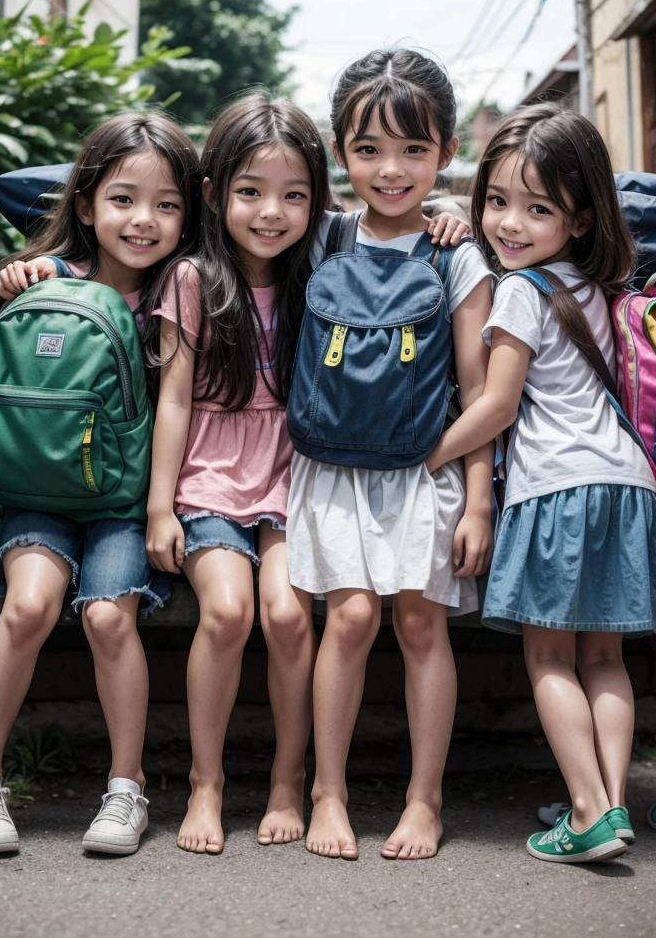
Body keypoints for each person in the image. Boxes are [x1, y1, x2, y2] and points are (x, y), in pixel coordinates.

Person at [427, 102, 656, 863]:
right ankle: (611, 807)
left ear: (578, 217)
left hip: (558, 490)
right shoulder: (596, 284)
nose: (509, 224)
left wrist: (429, 456)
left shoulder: (520, 290)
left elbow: (498, 405)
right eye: (497, 202)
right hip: (627, 485)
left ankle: (583, 813)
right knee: (603, 660)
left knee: (548, 660)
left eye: (536, 209)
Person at [0, 112, 200, 856]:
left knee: (105, 617)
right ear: (86, 203)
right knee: (28, 606)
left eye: (167, 205)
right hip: (37, 497)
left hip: (127, 507)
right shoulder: (39, 284)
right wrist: (6, 287)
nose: (144, 221)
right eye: (123, 200)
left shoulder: (184, 290)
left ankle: (126, 789)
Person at [286, 49, 493, 861]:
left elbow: (479, 397)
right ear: (341, 153)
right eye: (368, 149)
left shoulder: (458, 254)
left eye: (414, 149)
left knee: (418, 624)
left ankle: (424, 800)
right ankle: (326, 794)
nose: (391, 168)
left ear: (444, 152)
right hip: (332, 464)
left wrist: (478, 500)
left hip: (427, 470)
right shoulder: (324, 234)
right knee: (351, 616)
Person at [145, 93, 331, 855]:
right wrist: (162, 507)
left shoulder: (322, 271)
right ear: (215, 193)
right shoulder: (191, 278)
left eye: (293, 195)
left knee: (288, 615)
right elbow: (175, 401)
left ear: (318, 200)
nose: (271, 212)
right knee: (227, 611)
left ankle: (289, 781)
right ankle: (206, 781)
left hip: (294, 475)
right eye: (251, 192)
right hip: (210, 480)